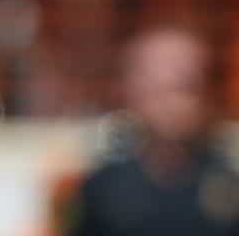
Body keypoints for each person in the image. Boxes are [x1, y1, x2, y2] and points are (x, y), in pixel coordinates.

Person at [65, 28, 239, 236]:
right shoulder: (103, 188)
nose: (168, 103)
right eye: (156, 88)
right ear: (131, 92)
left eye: (182, 87)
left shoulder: (229, 182)